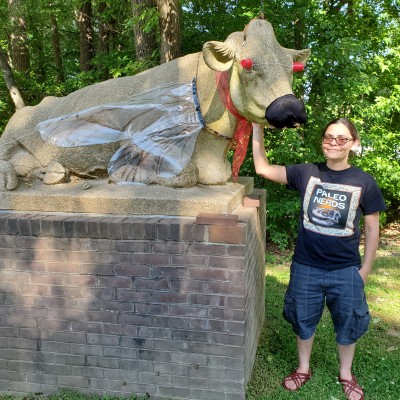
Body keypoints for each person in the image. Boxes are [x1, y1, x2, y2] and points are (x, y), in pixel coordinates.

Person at [252, 118, 386, 400]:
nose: (333, 143)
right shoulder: (306, 173)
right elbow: (263, 168)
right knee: (303, 320)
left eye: (341, 139)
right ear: (322, 141)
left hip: (346, 269)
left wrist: (365, 269)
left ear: (354, 143)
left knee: (348, 323)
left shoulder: (365, 182)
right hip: (306, 267)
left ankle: (346, 373)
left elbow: (373, 228)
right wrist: (256, 126)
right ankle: (303, 368)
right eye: (328, 137)